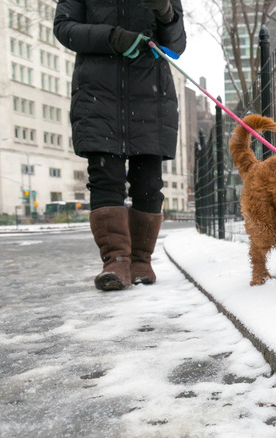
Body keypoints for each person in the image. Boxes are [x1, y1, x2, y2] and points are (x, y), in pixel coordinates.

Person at [54, 0, 186, 291]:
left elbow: (176, 45)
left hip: (150, 98)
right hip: (97, 97)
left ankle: (141, 260)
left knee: (149, 183)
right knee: (105, 178)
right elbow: (64, 28)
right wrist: (112, 38)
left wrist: (165, 12)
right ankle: (116, 261)